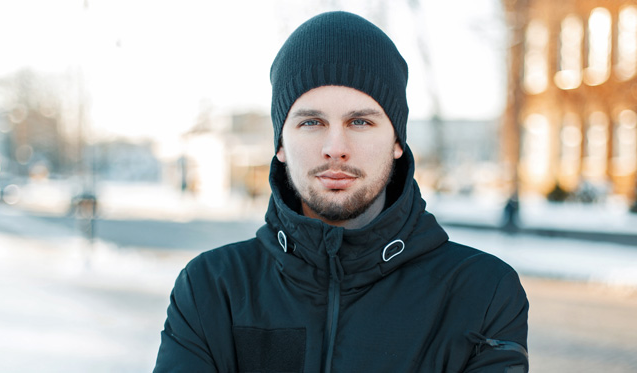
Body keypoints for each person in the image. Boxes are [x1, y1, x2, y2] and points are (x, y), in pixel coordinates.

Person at [155, 11, 529, 372]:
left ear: (397, 140)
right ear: (281, 144)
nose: (336, 146)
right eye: (312, 122)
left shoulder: (480, 293)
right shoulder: (212, 289)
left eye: (361, 121)